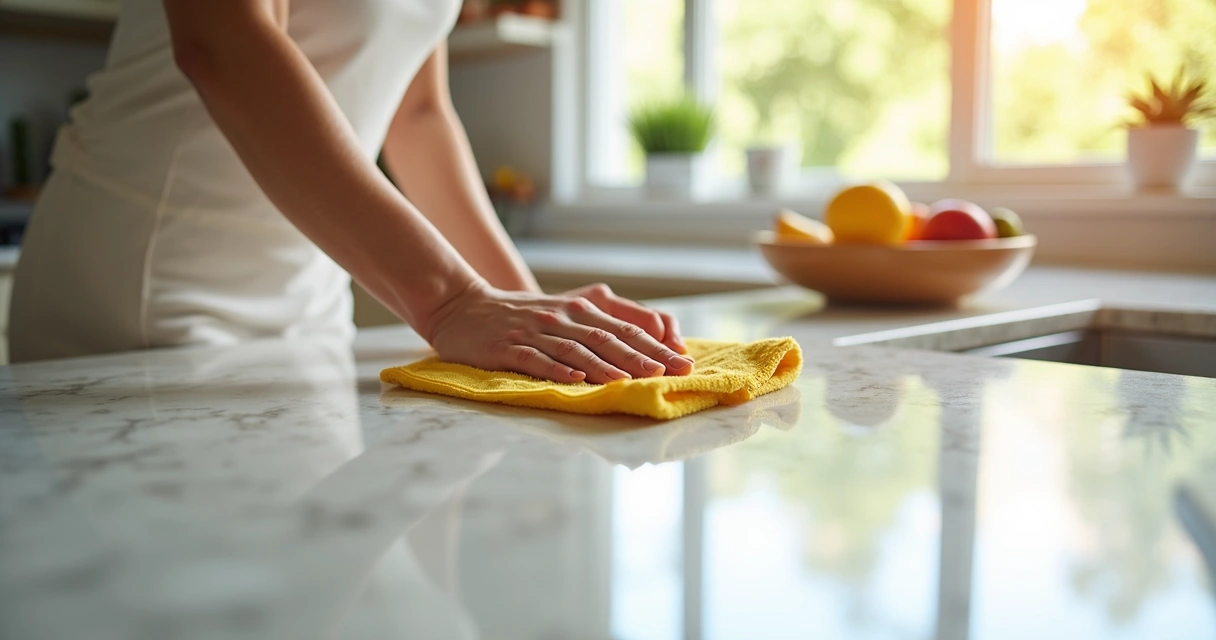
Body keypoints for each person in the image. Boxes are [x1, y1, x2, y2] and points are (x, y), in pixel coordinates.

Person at [8, 0, 693, 384]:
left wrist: (529, 309)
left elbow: (418, 114)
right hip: (142, 292)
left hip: (309, 305)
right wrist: (452, 301)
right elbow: (221, 42)